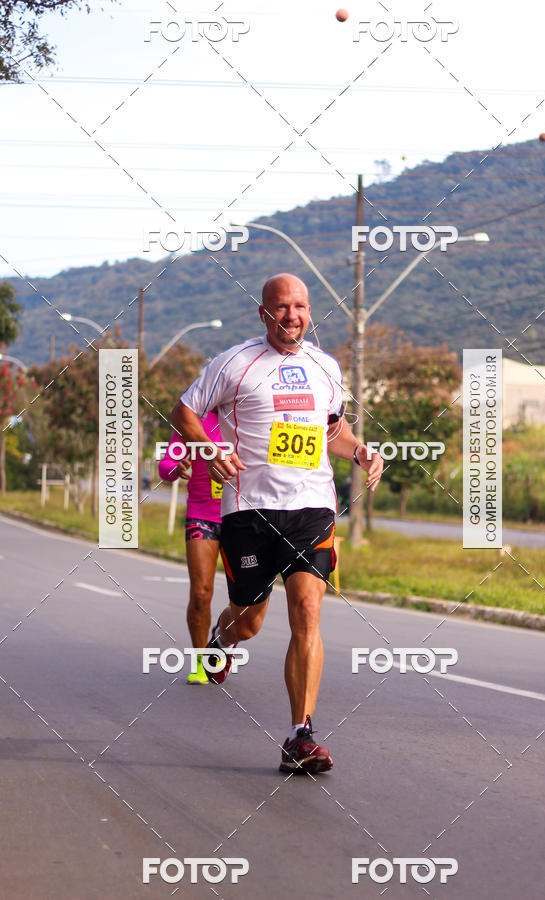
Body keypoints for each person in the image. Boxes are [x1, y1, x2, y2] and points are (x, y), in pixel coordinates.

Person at [171, 273, 383, 773]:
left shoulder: (324, 366)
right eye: (282, 306)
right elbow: (185, 411)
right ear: (263, 313)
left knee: (307, 610)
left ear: (311, 312)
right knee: (250, 619)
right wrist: (209, 448)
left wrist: (361, 451)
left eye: (301, 306)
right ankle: (221, 640)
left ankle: (300, 734)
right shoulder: (235, 363)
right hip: (248, 509)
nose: (292, 315)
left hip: (312, 506)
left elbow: (335, 431)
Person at [158, 410, 223, 684]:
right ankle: (200, 661)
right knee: (200, 592)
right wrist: (176, 466)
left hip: (244, 515)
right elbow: (166, 465)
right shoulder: (192, 416)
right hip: (203, 514)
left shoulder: (252, 410)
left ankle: (223, 638)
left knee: (246, 606)